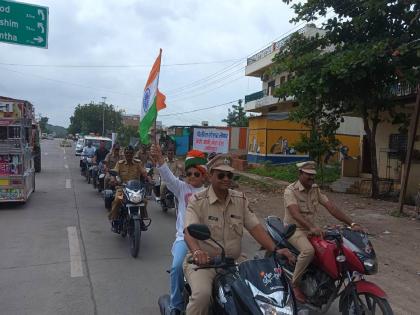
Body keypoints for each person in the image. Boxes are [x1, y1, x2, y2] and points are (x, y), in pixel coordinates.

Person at [183, 154, 295, 315]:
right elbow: (189, 231)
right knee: (202, 296)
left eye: (229, 175)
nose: (226, 178)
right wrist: (197, 252)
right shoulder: (197, 200)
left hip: (235, 262)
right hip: (205, 264)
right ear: (210, 175)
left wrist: (276, 249)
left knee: (257, 295)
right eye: (221, 175)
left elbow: (255, 228)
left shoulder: (240, 200)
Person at [283, 161, 365, 303]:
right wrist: (311, 227)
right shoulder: (290, 191)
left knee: (334, 247)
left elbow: (331, 207)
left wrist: (352, 223)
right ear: (300, 174)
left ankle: (324, 280)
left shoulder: (315, 189)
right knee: (308, 251)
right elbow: (295, 214)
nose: (311, 178)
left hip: (311, 228)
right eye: (308, 175)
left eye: (313, 175)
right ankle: (294, 284)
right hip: (294, 229)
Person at [151, 146, 207, 315]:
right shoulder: (182, 188)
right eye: (189, 174)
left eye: (196, 174)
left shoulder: (209, 193)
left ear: (204, 175)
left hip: (207, 240)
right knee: (176, 268)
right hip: (184, 239)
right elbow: (168, 177)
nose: (191, 177)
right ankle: (175, 306)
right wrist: (160, 158)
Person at [108, 146, 149, 228]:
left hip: (136, 189)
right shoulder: (120, 163)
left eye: (130, 153)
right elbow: (115, 172)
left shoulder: (138, 163)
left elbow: (144, 172)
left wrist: (148, 178)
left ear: (133, 154)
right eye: (127, 153)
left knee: (144, 201)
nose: (128, 155)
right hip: (122, 189)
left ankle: (141, 220)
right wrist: (113, 179)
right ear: (124, 154)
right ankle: (115, 219)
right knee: (117, 200)